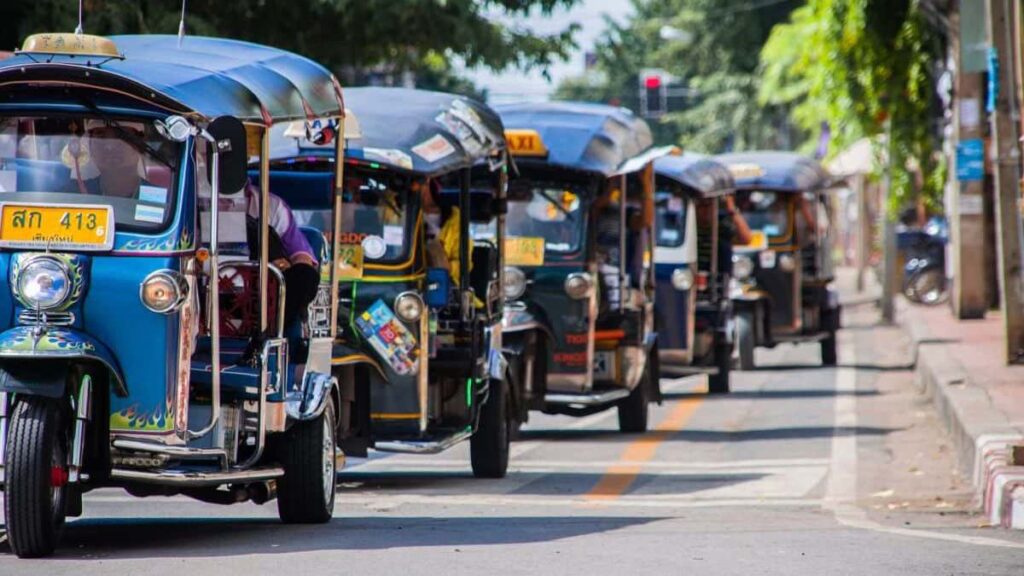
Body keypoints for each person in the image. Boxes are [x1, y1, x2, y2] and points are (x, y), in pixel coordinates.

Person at [243, 183, 320, 331]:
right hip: (207, 285)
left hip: (261, 293)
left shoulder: (271, 206)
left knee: (305, 275)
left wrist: (281, 266)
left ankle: (266, 335)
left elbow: (302, 255)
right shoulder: (188, 199)